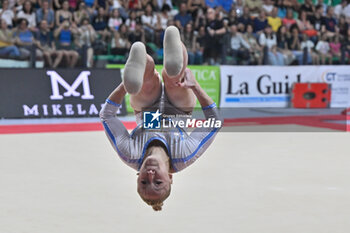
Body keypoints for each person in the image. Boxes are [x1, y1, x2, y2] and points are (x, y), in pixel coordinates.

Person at [99, 26, 221, 211]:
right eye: (157, 182)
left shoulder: (131, 153)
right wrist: (194, 86)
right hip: (177, 112)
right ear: (170, 177)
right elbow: (214, 123)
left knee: (147, 86)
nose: (150, 175)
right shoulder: (183, 155)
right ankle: (175, 64)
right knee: (175, 79)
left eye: (144, 182)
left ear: (137, 176)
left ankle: (143, 64)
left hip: (149, 113)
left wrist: (126, 86)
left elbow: (107, 116)